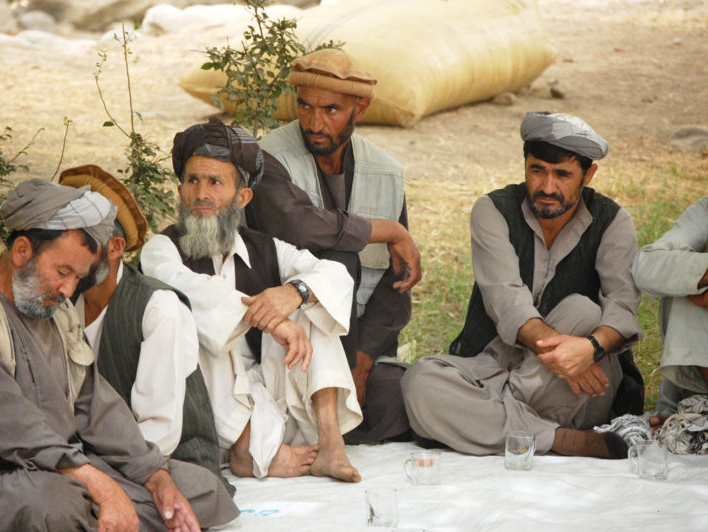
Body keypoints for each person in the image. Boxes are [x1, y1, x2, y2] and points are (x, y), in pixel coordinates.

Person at [0, 179, 238, 531]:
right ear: (21, 251)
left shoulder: (53, 306)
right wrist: (102, 487)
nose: (68, 290)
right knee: (54, 507)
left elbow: (94, 403)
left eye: (77, 278)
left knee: (200, 488)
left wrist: (154, 476)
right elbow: (17, 431)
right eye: (62, 272)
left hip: (69, 464)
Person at [402, 111, 643, 459]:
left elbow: (622, 305)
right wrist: (559, 354)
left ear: (588, 174)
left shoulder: (613, 222)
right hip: (494, 365)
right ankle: (559, 438)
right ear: (525, 165)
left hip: (576, 383)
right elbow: (508, 302)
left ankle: (490, 419)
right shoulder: (493, 211)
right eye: (537, 170)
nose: (547, 187)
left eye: (562, 174)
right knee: (419, 382)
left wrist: (588, 349)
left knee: (584, 312)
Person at [140, 122, 364, 482]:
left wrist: (295, 293)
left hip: (270, 397)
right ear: (181, 191)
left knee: (314, 301)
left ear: (242, 197)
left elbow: (336, 274)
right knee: (191, 320)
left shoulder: (266, 248)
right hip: (208, 406)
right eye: (193, 181)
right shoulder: (161, 248)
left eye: (215, 182)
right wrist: (270, 318)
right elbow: (185, 286)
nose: (201, 194)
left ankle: (330, 444)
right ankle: (247, 450)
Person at [247, 48, 421, 444]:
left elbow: (397, 281)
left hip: (360, 344)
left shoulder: (386, 171)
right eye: (305, 107)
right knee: (340, 257)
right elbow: (300, 226)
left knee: (402, 399)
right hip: (288, 336)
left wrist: (361, 362)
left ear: (360, 108)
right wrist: (388, 230)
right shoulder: (269, 158)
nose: (314, 123)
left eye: (330, 110)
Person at [59, 164, 231, 493]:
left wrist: (92, 472)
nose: (64, 253)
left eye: (79, 242)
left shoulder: (158, 308)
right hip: (94, 458)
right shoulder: (63, 302)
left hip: (166, 464)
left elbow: (159, 433)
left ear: (115, 248)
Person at [633, 197, 708, 430]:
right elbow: (645, 266)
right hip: (696, 389)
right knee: (683, 284)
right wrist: (701, 274)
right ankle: (694, 415)